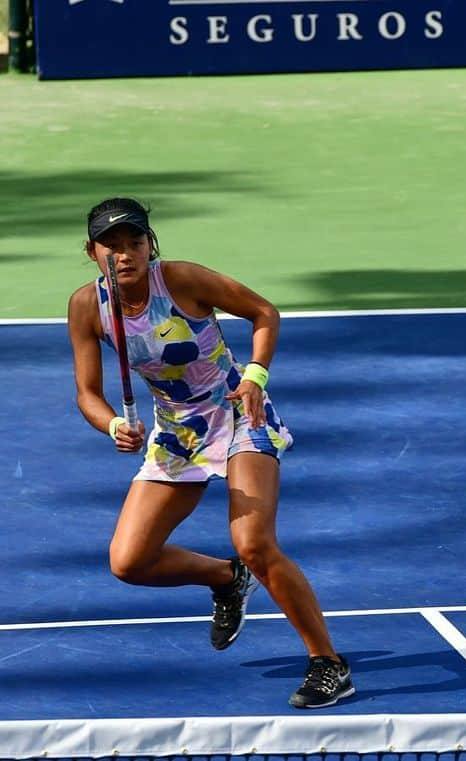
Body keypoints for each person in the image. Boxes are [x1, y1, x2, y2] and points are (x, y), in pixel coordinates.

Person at [66, 197, 354, 708]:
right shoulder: (87, 307)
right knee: (129, 561)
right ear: (92, 252)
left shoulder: (182, 279)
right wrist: (112, 425)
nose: (126, 254)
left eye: (135, 242)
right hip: (177, 433)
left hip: (239, 412)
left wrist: (255, 378)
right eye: (113, 246)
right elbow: (87, 392)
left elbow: (263, 312)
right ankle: (226, 578)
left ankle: (327, 663)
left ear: (149, 245)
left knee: (254, 542)